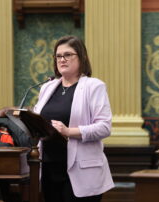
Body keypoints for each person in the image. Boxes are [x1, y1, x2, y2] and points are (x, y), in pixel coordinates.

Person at [33, 35, 114, 202]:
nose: (62, 59)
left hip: (81, 169)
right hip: (48, 166)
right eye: (58, 56)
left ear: (81, 57)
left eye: (68, 55)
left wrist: (69, 131)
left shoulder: (94, 86)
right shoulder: (47, 87)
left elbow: (104, 127)